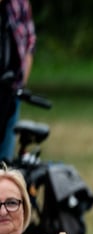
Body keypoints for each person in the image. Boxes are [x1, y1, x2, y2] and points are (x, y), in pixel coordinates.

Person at [0, 0, 35, 161]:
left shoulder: (19, 3)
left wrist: (21, 83)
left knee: (4, 162)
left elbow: (29, 41)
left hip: (10, 91)